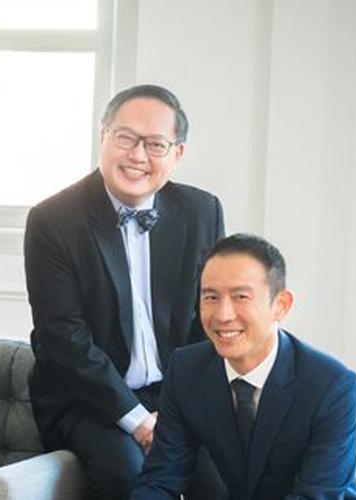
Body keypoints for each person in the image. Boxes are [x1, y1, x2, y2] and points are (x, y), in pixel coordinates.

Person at [24, 84, 226, 497]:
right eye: (126, 138)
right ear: (103, 136)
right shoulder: (53, 220)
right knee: (128, 477)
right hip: (86, 399)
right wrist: (139, 421)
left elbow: (208, 321)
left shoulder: (202, 212)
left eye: (155, 144)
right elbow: (63, 339)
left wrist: (183, 409)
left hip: (173, 393)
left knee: (222, 475)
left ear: (177, 153)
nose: (137, 155)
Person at [133, 233, 356, 499]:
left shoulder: (332, 386)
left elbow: (316, 496)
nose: (223, 315)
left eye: (241, 296)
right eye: (211, 297)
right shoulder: (186, 369)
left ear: (281, 305)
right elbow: (162, 478)